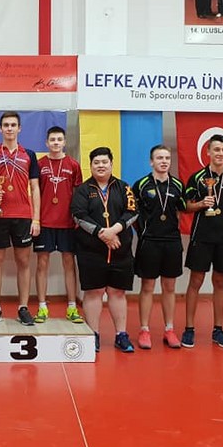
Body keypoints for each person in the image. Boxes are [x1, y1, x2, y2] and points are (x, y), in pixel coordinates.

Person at [71, 147, 138, 353]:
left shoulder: (124, 187)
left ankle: (121, 335)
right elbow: (78, 215)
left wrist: (114, 230)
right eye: (96, 162)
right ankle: (93, 335)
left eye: (104, 162)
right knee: (94, 292)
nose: (101, 165)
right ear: (91, 166)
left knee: (117, 292)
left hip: (120, 250)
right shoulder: (83, 190)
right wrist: (102, 233)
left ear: (111, 164)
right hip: (91, 251)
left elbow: (133, 212)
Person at [182, 134, 223, 349]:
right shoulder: (197, 177)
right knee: (196, 282)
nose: (220, 153)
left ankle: (218, 329)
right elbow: (186, 206)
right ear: (208, 152)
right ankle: (189, 328)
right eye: (217, 149)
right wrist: (201, 204)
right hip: (202, 237)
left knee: (220, 282)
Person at [0, 111, 40, 326]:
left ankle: (23, 307)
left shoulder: (29, 155)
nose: (9, 128)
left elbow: (35, 187)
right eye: (5, 125)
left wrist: (36, 219)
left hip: (23, 215)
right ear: (0, 129)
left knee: (23, 261)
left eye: (13, 125)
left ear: (19, 128)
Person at [132, 145, 185, 349]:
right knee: (147, 286)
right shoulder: (141, 185)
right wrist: (145, 232)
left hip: (171, 241)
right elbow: (134, 214)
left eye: (167, 158)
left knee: (169, 287)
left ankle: (169, 329)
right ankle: (144, 330)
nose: (164, 161)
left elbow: (180, 211)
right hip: (149, 241)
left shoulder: (177, 185)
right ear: (151, 162)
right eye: (159, 158)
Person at [32, 126, 83, 324]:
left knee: (69, 263)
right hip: (45, 222)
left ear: (64, 142)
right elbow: (35, 192)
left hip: (67, 223)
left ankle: (72, 307)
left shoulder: (73, 165)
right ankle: (42, 307)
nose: (55, 143)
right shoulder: (39, 164)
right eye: (52, 139)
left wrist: (77, 219)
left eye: (59, 139)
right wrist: (36, 219)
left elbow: (78, 195)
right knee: (42, 263)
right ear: (46, 143)